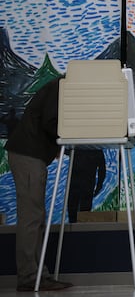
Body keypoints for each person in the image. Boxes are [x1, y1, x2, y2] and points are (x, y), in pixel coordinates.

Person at [6, 77, 74, 291]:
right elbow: (51, 122)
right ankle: (28, 277)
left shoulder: (57, 87)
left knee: (35, 217)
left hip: (29, 156)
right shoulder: (60, 88)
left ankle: (37, 275)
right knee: (31, 218)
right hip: (27, 156)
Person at [67, 148, 107, 223]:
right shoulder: (96, 149)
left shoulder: (77, 146)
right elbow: (102, 169)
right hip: (86, 184)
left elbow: (102, 169)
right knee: (83, 210)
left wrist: (99, 185)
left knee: (74, 208)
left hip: (77, 183)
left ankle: (72, 228)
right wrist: (99, 185)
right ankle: (80, 228)